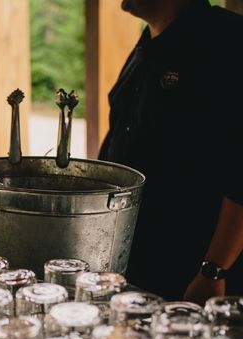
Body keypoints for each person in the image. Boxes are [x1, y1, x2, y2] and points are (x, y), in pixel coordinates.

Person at [99, 0, 243, 303]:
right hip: (142, 272)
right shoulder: (147, 43)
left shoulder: (226, 40)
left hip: (199, 278)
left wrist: (213, 271)